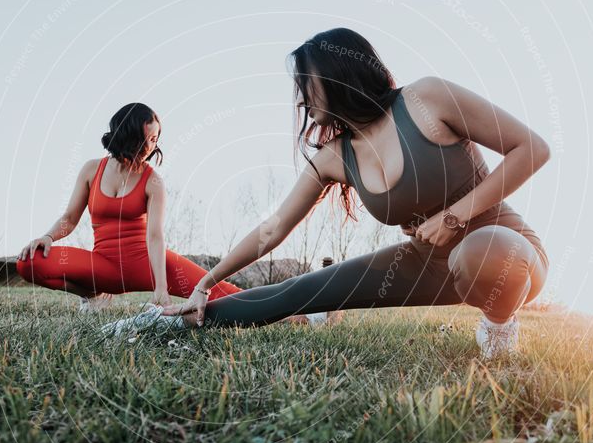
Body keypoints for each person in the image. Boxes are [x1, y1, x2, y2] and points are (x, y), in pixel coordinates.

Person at [122, 28, 551, 359]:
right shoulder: (335, 156)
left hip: (508, 252)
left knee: (481, 252)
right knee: (296, 292)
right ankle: (163, 323)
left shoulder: (427, 99)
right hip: (427, 261)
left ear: (337, 74)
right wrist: (206, 284)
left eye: (307, 82)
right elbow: (272, 229)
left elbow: (531, 149)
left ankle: (499, 326)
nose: (301, 96)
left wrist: (456, 216)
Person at [15, 103, 244, 312]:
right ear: (127, 135)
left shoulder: (153, 181)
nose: (149, 146)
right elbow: (70, 217)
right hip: (103, 266)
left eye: (154, 139)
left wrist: (161, 287)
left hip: (146, 264)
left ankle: (279, 309)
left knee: (224, 294)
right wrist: (49, 236)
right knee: (29, 263)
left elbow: (155, 236)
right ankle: (93, 294)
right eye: (145, 138)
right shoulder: (91, 170)